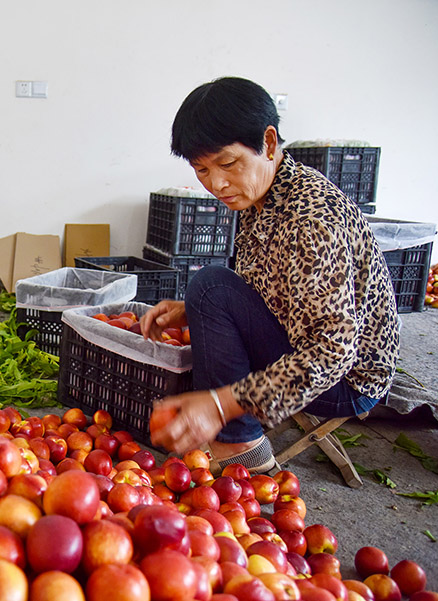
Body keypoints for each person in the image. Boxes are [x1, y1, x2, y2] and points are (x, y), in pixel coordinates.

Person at [141, 77, 400, 474]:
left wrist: (219, 404)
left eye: (227, 164)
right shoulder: (261, 193)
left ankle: (240, 446)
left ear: (269, 142)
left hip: (347, 380)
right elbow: (260, 283)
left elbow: (333, 352)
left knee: (209, 286)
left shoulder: (311, 220)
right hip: (299, 337)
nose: (217, 184)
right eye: (202, 170)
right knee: (208, 290)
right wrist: (190, 310)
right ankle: (235, 432)